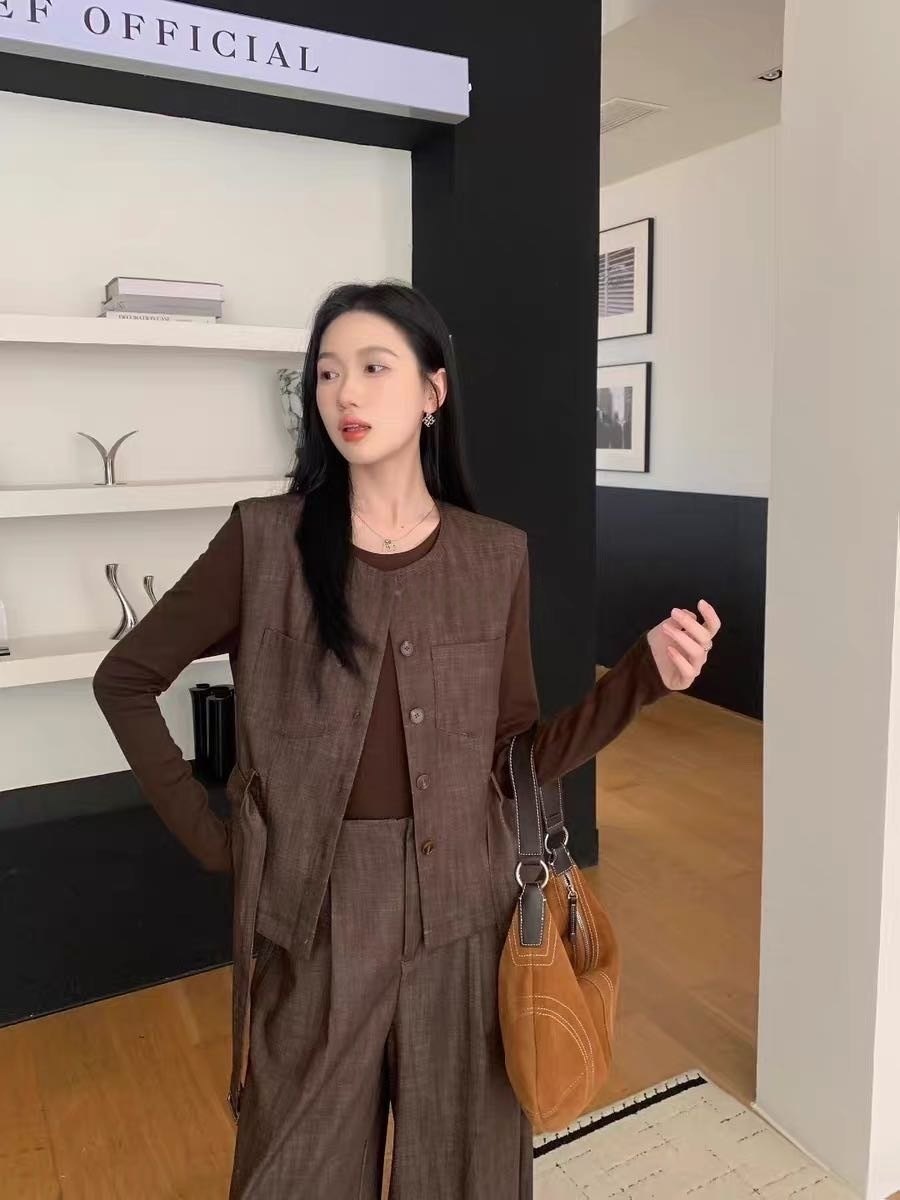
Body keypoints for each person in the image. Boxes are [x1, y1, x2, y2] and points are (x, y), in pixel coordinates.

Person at [92, 280, 720, 1199]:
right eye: (327, 373)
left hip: (467, 910)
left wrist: (640, 680)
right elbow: (126, 679)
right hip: (315, 915)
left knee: (462, 1174)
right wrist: (216, 839)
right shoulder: (264, 543)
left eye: (373, 368)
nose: (345, 392)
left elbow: (517, 758)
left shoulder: (493, 555)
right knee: (293, 1174)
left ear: (432, 391)